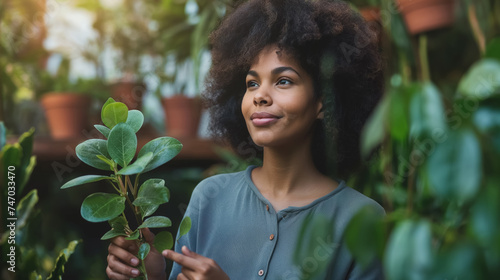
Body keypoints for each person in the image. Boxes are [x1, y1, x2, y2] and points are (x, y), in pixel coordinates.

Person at [106, 0, 385, 279]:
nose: (259, 96)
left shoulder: (362, 219)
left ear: (323, 103)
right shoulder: (209, 198)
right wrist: (148, 273)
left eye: (283, 80)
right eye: (252, 83)